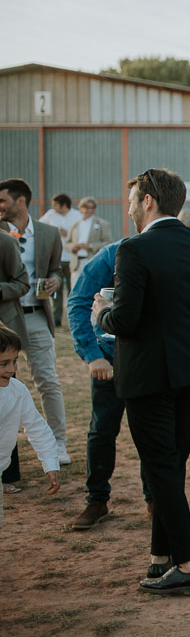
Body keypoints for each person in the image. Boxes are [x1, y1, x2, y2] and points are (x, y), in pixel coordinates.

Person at [93, 168, 190, 595]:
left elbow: (126, 319)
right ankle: (161, 557)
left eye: (131, 199)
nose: (128, 206)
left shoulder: (134, 249)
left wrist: (100, 314)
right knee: (171, 466)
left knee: (161, 468)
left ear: (148, 201)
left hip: (149, 373)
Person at [66, 237, 154, 530]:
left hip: (149, 359)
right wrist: (92, 356)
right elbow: (78, 301)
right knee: (102, 430)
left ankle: (155, 501)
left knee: (152, 434)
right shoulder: (110, 255)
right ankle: (97, 500)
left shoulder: (167, 250)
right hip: (109, 357)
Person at [0, 178, 68, 464]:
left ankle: (58, 443)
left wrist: (55, 280)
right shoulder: (0, 234)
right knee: (5, 384)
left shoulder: (49, 233)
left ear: (21, 201)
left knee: (48, 382)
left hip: (37, 316)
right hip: (5, 319)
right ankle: (8, 458)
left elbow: (56, 270)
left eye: (2, 200)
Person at [0, 324, 60, 526]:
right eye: (3, 364)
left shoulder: (17, 391)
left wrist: (50, 463)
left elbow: (36, 427)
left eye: (14, 361)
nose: (11, 369)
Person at [0, 231, 31, 493]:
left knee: (6, 403)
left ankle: (7, 475)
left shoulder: (5, 241)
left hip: (1, 334)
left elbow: (22, 282)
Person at [40, 193, 83, 326]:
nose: (52, 207)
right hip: (56, 257)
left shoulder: (77, 216)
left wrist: (67, 233)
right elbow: (39, 227)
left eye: (55, 205)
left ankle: (72, 317)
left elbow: (83, 234)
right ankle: (56, 318)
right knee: (56, 289)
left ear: (64, 205)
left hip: (72, 258)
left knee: (72, 289)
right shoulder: (50, 215)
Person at [67, 197, 113, 276]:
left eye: (92, 208)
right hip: (76, 264)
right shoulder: (74, 225)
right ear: (80, 208)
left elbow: (109, 242)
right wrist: (73, 247)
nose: (89, 210)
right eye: (86, 207)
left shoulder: (102, 224)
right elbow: (67, 243)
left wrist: (91, 246)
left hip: (93, 261)